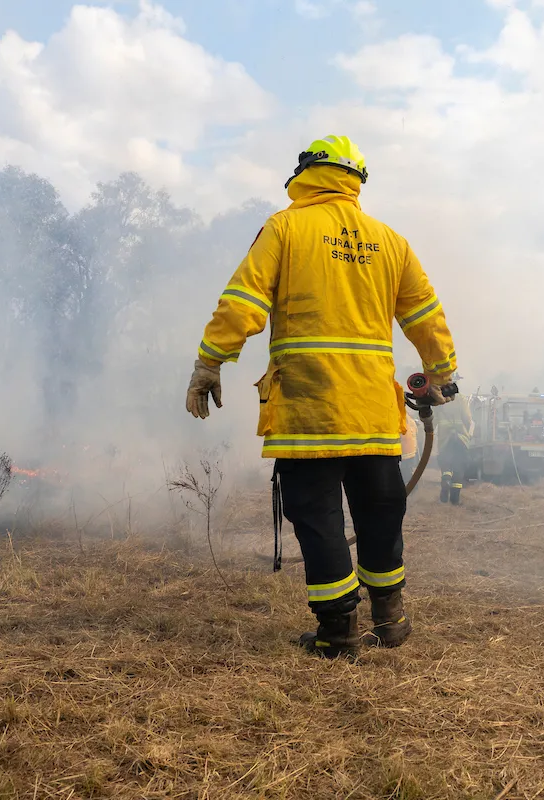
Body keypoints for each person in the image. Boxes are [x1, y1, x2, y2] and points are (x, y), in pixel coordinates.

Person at [185, 135, 458, 659]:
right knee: (380, 511)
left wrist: (209, 362)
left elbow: (242, 301)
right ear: (355, 178)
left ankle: (339, 632)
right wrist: (442, 373)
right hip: (375, 413)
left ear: (306, 173)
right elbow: (425, 314)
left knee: (318, 517)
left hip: (309, 409)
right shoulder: (390, 241)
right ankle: (391, 620)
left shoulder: (286, 228)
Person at [434, 372, 473, 505]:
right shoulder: (461, 399)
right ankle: (455, 500)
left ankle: (445, 481)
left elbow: (432, 421)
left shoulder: (438, 398)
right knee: (459, 466)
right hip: (460, 438)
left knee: (445, 464)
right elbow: (467, 419)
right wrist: (467, 431)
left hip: (445, 439)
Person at [400, 409, 419, 482]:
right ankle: (410, 484)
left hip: (405, 448)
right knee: (408, 468)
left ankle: (407, 484)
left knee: (405, 469)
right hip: (411, 448)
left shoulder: (402, 417)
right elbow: (416, 431)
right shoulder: (410, 419)